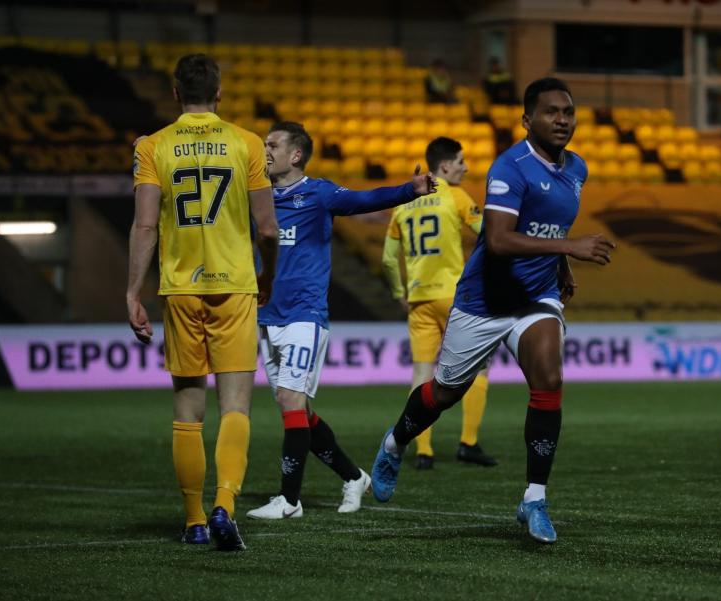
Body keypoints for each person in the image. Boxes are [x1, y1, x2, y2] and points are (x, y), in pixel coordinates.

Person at [370, 77, 616, 544]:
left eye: (568, 111)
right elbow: (500, 240)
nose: (562, 119)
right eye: (551, 112)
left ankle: (534, 498)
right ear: (527, 120)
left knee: (549, 379)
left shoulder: (577, 167)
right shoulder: (511, 166)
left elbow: (548, 222)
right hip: (483, 302)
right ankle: (394, 442)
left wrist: (560, 262)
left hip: (535, 297)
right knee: (443, 394)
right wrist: (571, 246)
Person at [246, 121, 437, 520]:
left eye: (272, 144)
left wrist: (409, 189)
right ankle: (353, 477)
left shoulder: (319, 193)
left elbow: (365, 199)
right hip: (267, 314)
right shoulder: (258, 197)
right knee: (298, 408)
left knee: (290, 400)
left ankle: (289, 501)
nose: (264, 150)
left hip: (305, 313)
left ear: (295, 155)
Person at [128, 54, 279, 551]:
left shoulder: (152, 146)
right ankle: (225, 505)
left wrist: (133, 291)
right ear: (219, 94)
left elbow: (146, 224)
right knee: (235, 406)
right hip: (234, 284)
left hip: (180, 287)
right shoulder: (247, 143)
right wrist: (267, 273)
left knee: (187, 409)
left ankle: (193, 519)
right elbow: (267, 228)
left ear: (175, 94)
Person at [381, 136, 496, 471]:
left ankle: (423, 449)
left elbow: (389, 260)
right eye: (461, 161)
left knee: (421, 372)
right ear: (445, 166)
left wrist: (398, 293)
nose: (466, 167)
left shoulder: (403, 204)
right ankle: (468, 443)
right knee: (480, 366)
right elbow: (490, 235)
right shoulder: (456, 196)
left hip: (418, 298)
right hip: (454, 296)